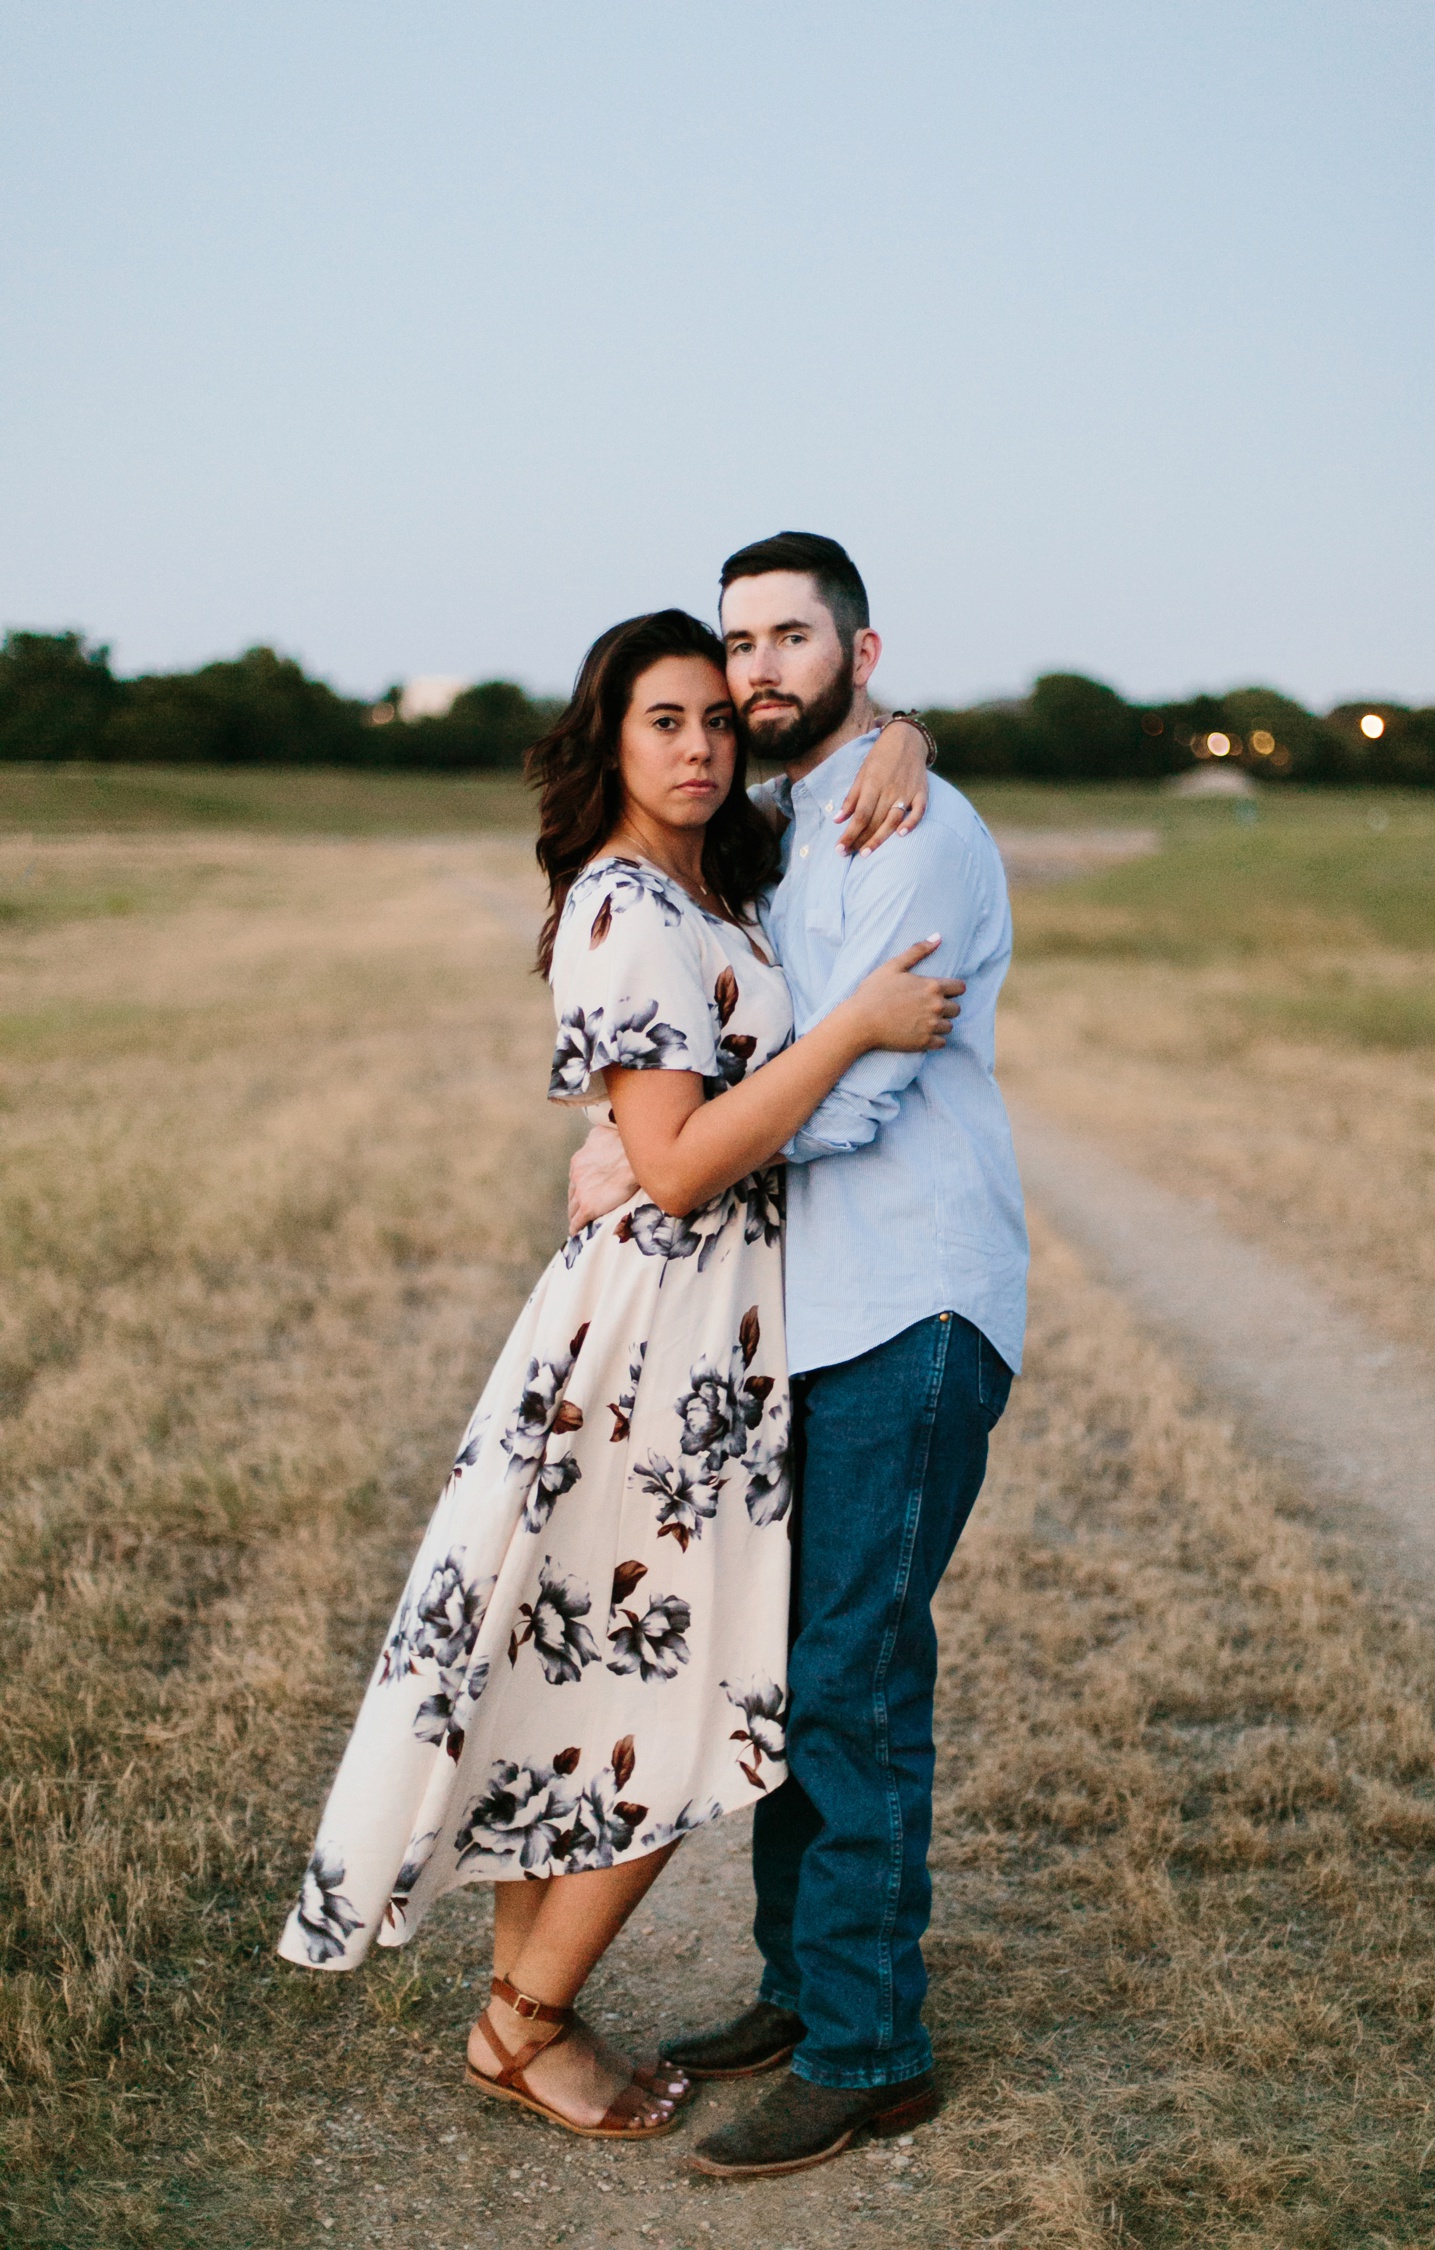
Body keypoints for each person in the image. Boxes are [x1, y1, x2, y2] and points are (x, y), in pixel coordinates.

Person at [276, 607, 957, 2145]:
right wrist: (854, 1025)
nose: (704, 745)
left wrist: (908, 730)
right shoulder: (626, 903)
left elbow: (841, 756)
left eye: (719, 718)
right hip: (658, 1344)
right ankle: (523, 2025)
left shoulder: (716, 878)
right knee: (683, 1690)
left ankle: (523, 2012)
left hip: (705, 1338)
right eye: (667, 720)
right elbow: (682, 1159)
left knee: (588, 1676)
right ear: (612, 736)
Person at [567, 535, 1029, 2176]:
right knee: (796, 1666)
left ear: (861, 650)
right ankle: (799, 1985)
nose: (759, 668)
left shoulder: (914, 827)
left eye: (792, 637)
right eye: (740, 641)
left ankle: (871, 2049)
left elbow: (862, 1090)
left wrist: (665, 1157)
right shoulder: (777, 833)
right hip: (806, 1318)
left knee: (854, 1671)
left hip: (913, 1302)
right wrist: (661, 1135)